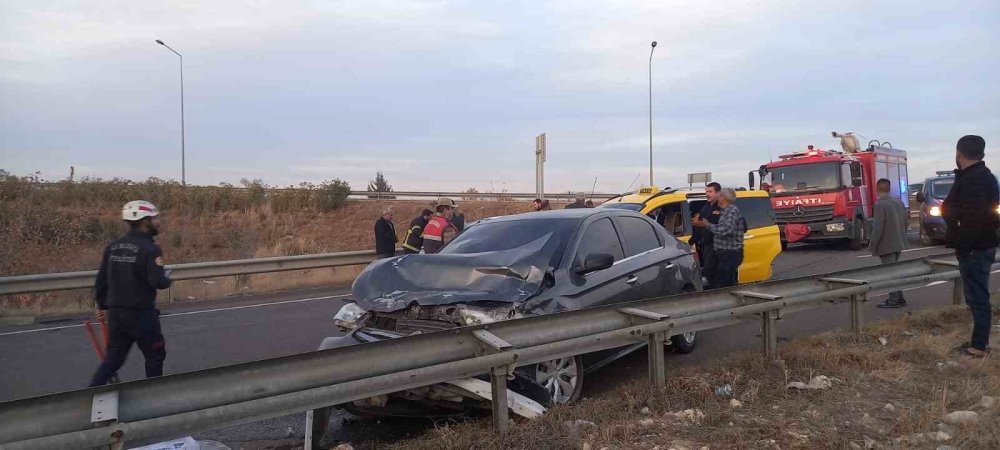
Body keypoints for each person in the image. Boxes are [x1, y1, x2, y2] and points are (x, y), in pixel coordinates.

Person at [89, 200, 172, 387]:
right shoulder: (150, 249)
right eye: (155, 218)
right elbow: (158, 282)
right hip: (142, 315)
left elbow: (101, 281)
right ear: (145, 221)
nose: (158, 222)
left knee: (114, 359)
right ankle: (154, 393)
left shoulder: (112, 246)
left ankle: (90, 393)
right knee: (155, 354)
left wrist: (101, 305)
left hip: (117, 316)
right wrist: (167, 279)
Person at [943, 135, 999, 358]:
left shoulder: (973, 178)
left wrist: (963, 238)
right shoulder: (983, 176)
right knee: (977, 295)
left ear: (959, 153)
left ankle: (978, 346)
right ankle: (979, 341)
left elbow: (974, 215)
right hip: (978, 244)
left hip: (974, 246)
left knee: (977, 296)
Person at [694, 188, 746, 288]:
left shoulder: (731, 211)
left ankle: (724, 301)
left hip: (730, 253)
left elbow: (725, 230)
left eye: (719, 195)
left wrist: (707, 225)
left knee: (722, 282)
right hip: (722, 253)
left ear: (723, 198)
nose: (717, 198)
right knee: (717, 278)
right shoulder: (724, 211)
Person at [869, 178, 908, 308]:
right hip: (899, 242)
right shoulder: (898, 202)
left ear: (877, 189)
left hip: (886, 245)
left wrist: (873, 244)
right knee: (895, 271)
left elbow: (878, 228)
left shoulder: (880, 205)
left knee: (890, 273)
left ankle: (894, 299)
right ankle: (899, 297)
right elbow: (905, 222)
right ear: (889, 188)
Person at [690, 182, 722, 285]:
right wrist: (692, 240)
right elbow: (698, 227)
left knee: (720, 273)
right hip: (707, 245)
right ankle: (715, 292)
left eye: (710, 191)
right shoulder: (705, 208)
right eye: (706, 192)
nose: (707, 194)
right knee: (709, 272)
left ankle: (721, 293)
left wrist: (703, 224)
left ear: (717, 193)